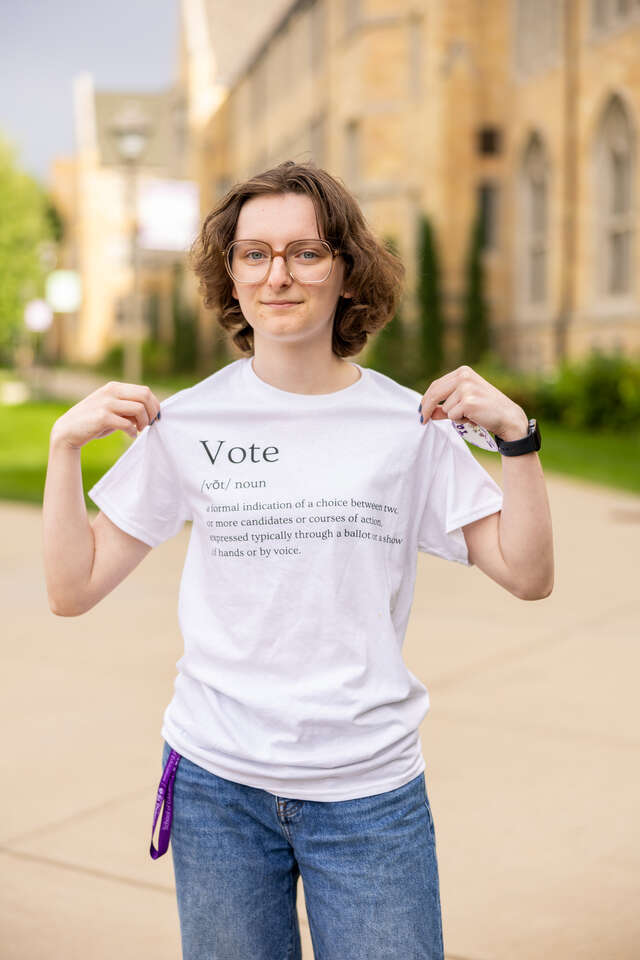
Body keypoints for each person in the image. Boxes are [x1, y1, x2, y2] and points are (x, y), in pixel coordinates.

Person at [43, 160, 554, 960]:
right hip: (218, 788)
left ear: (347, 271)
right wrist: (64, 448)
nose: (277, 274)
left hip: (370, 795)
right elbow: (72, 590)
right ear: (232, 275)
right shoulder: (188, 422)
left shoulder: (406, 425)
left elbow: (528, 574)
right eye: (254, 254)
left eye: (306, 252)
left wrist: (518, 440)